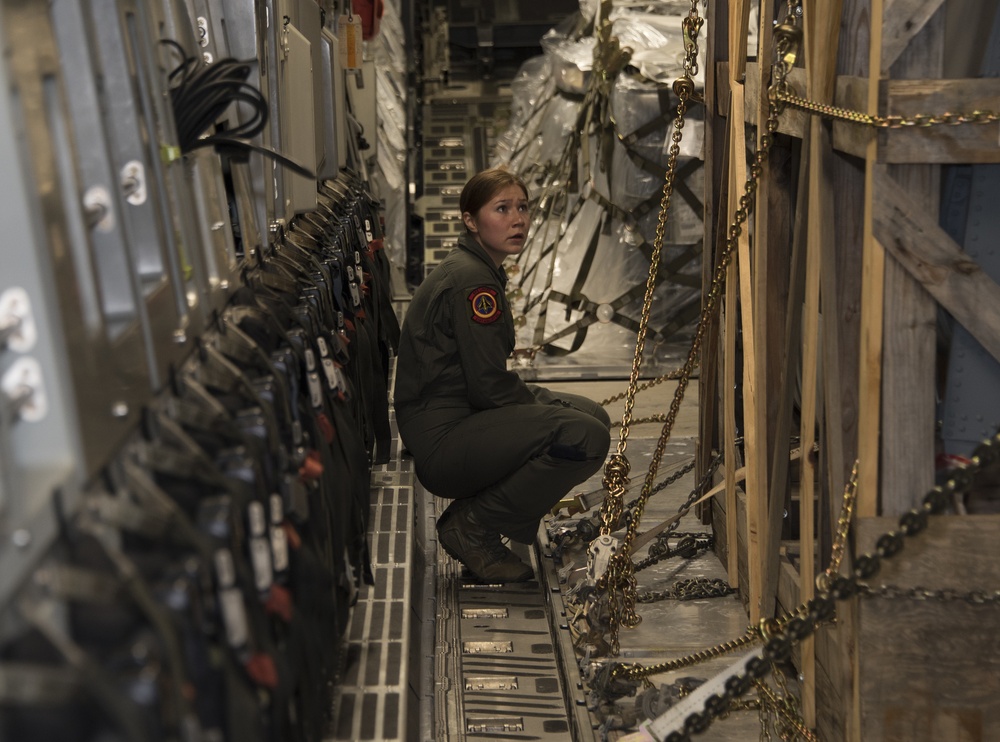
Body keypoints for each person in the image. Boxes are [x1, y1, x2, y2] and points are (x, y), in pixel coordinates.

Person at [393, 168, 612, 582]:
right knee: (585, 437)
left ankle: (489, 507)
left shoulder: (478, 268)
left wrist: (553, 409)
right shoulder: (473, 282)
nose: (519, 220)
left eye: (523, 208)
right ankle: (473, 525)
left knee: (592, 416)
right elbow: (489, 386)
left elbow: (484, 381)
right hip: (445, 440)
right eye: (502, 209)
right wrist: (550, 415)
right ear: (470, 220)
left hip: (456, 418)